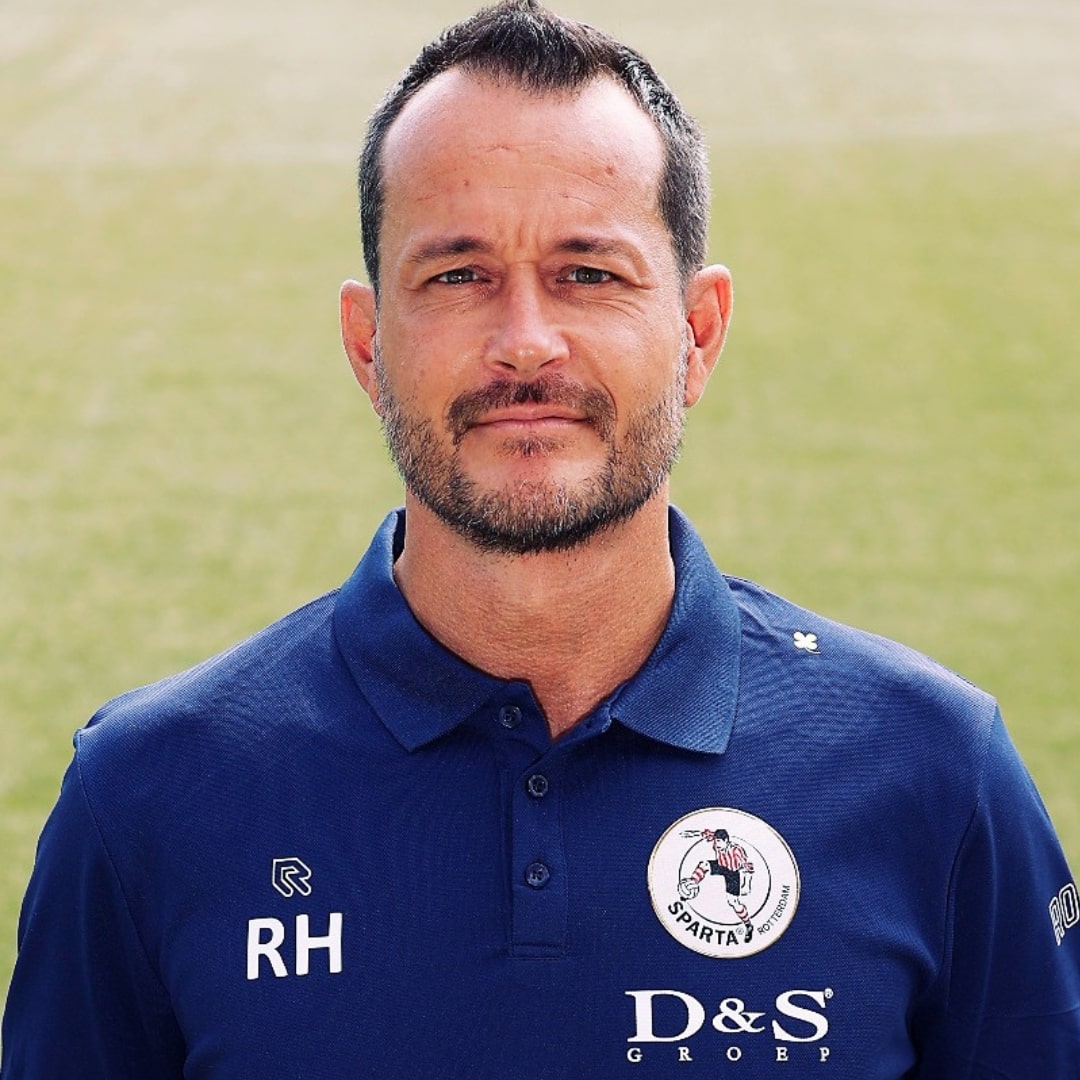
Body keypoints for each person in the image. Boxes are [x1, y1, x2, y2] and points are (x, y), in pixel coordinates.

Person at [2, 1, 1078, 1075]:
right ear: (368, 343)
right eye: (458, 275)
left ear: (697, 334)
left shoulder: (935, 772)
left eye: (589, 273)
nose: (525, 342)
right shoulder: (145, 795)